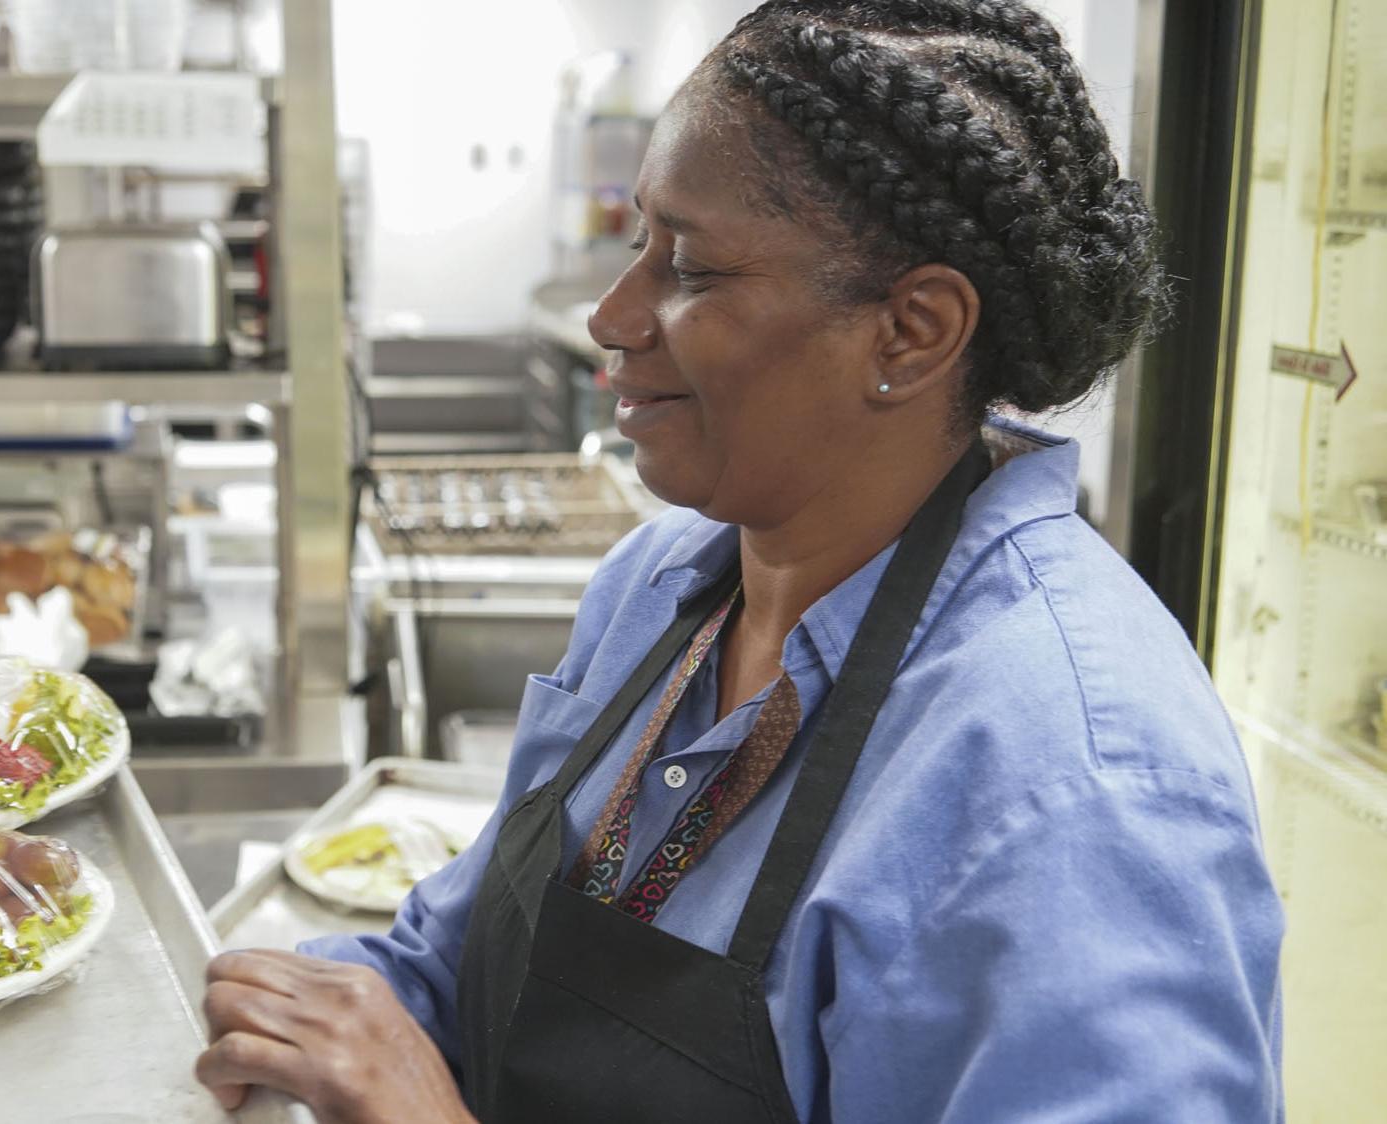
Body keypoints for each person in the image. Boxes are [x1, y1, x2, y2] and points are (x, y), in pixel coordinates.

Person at [195, 2, 1284, 1120]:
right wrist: (229, 1007)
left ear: (911, 331)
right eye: (637, 247)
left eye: (693, 270)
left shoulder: (1072, 785)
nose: (614, 317)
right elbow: (449, 974)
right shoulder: (660, 590)